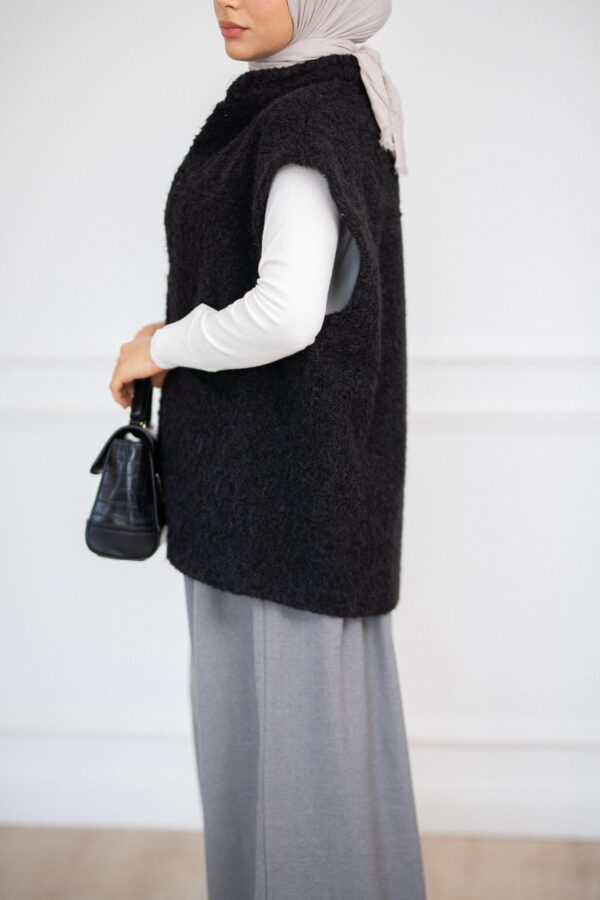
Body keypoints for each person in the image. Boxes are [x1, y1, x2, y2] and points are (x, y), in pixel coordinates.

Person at [108, 1, 427, 898]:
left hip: (281, 504)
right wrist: (173, 338)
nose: (227, 0)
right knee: (297, 769)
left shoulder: (307, 114)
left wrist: (161, 347)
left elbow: (286, 315)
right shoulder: (310, 102)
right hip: (275, 490)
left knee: (292, 773)